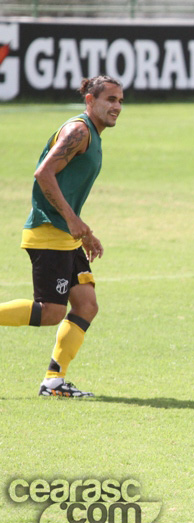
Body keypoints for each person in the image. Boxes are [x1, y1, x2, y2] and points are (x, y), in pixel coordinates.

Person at [0, 75, 124, 397]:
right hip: (49, 233)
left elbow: (67, 188)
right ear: (89, 101)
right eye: (110, 99)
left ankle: (54, 381)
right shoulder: (79, 131)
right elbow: (44, 173)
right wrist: (72, 221)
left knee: (86, 304)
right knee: (51, 312)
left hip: (65, 234)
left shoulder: (92, 135)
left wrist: (83, 231)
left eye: (120, 101)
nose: (116, 107)